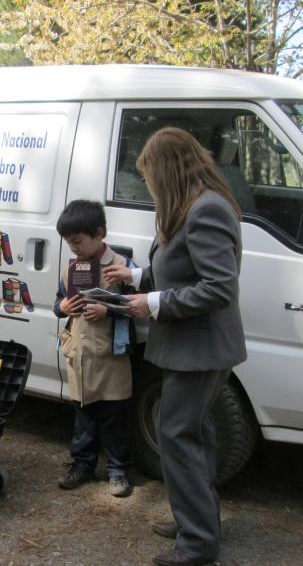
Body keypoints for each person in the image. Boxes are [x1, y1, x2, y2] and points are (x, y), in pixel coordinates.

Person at [105, 128, 246, 566]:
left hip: (200, 350)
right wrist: (138, 278)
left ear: (166, 171)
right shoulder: (189, 207)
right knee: (194, 433)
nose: (148, 186)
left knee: (177, 434)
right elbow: (181, 269)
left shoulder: (206, 211)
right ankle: (196, 521)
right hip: (190, 348)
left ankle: (198, 545)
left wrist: (154, 303)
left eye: (149, 176)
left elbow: (219, 288)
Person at [53, 199, 135, 498]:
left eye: (77, 241)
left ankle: (118, 470)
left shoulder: (123, 266)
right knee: (83, 416)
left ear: (99, 233)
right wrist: (61, 307)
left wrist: (108, 311)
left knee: (114, 417)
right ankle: (82, 465)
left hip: (110, 356)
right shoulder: (69, 269)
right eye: (69, 243)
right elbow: (58, 303)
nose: (73, 248)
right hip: (80, 355)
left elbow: (137, 306)